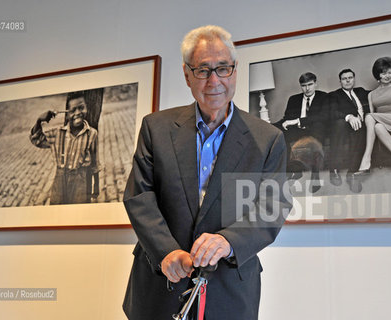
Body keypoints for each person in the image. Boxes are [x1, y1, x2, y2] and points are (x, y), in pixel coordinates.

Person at [122, 25, 292, 320]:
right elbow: (140, 196)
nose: (214, 80)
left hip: (229, 290)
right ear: (187, 75)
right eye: (203, 70)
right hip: (160, 283)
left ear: (235, 71)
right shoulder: (156, 128)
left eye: (222, 68)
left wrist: (229, 241)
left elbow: (271, 207)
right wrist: (166, 251)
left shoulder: (268, 139)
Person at [30, 91, 101, 204]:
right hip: (60, 180)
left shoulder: (92, 134)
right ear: (67, 114)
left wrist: (96, 186)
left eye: (81, 108)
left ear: (87, 109)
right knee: (57, 212)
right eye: (73, 110)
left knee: (78, 213)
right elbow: (36, 140)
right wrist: (39, 120)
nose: (78, 113)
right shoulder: (58, 134)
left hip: (81, 182)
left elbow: (95, 164)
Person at [274, 72, 328, 184]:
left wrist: (298, 121)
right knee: (280, 134)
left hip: (315, 129)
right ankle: (293, 170)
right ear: (301, 86)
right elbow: (287, 118)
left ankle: (315, 174)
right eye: (304, 86)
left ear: (315, 84)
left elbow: (322, 117)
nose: (307, 88)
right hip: (298, 130)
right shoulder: (294, 99)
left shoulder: (324, 96)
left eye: (310, 84)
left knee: (318, 129)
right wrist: (273, 126)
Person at [328, 69, 369, 192]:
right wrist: (349, 117)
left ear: (354, 79)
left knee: (362, 128)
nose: (347, 80)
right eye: (344, 78)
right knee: (341, 124)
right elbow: (333, 112)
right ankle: (334, 168)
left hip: (364, 123)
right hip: (346, 124)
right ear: (340, 81)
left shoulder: (361, 91)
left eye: (350, 77)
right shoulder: (334, 95)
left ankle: (352, 173)